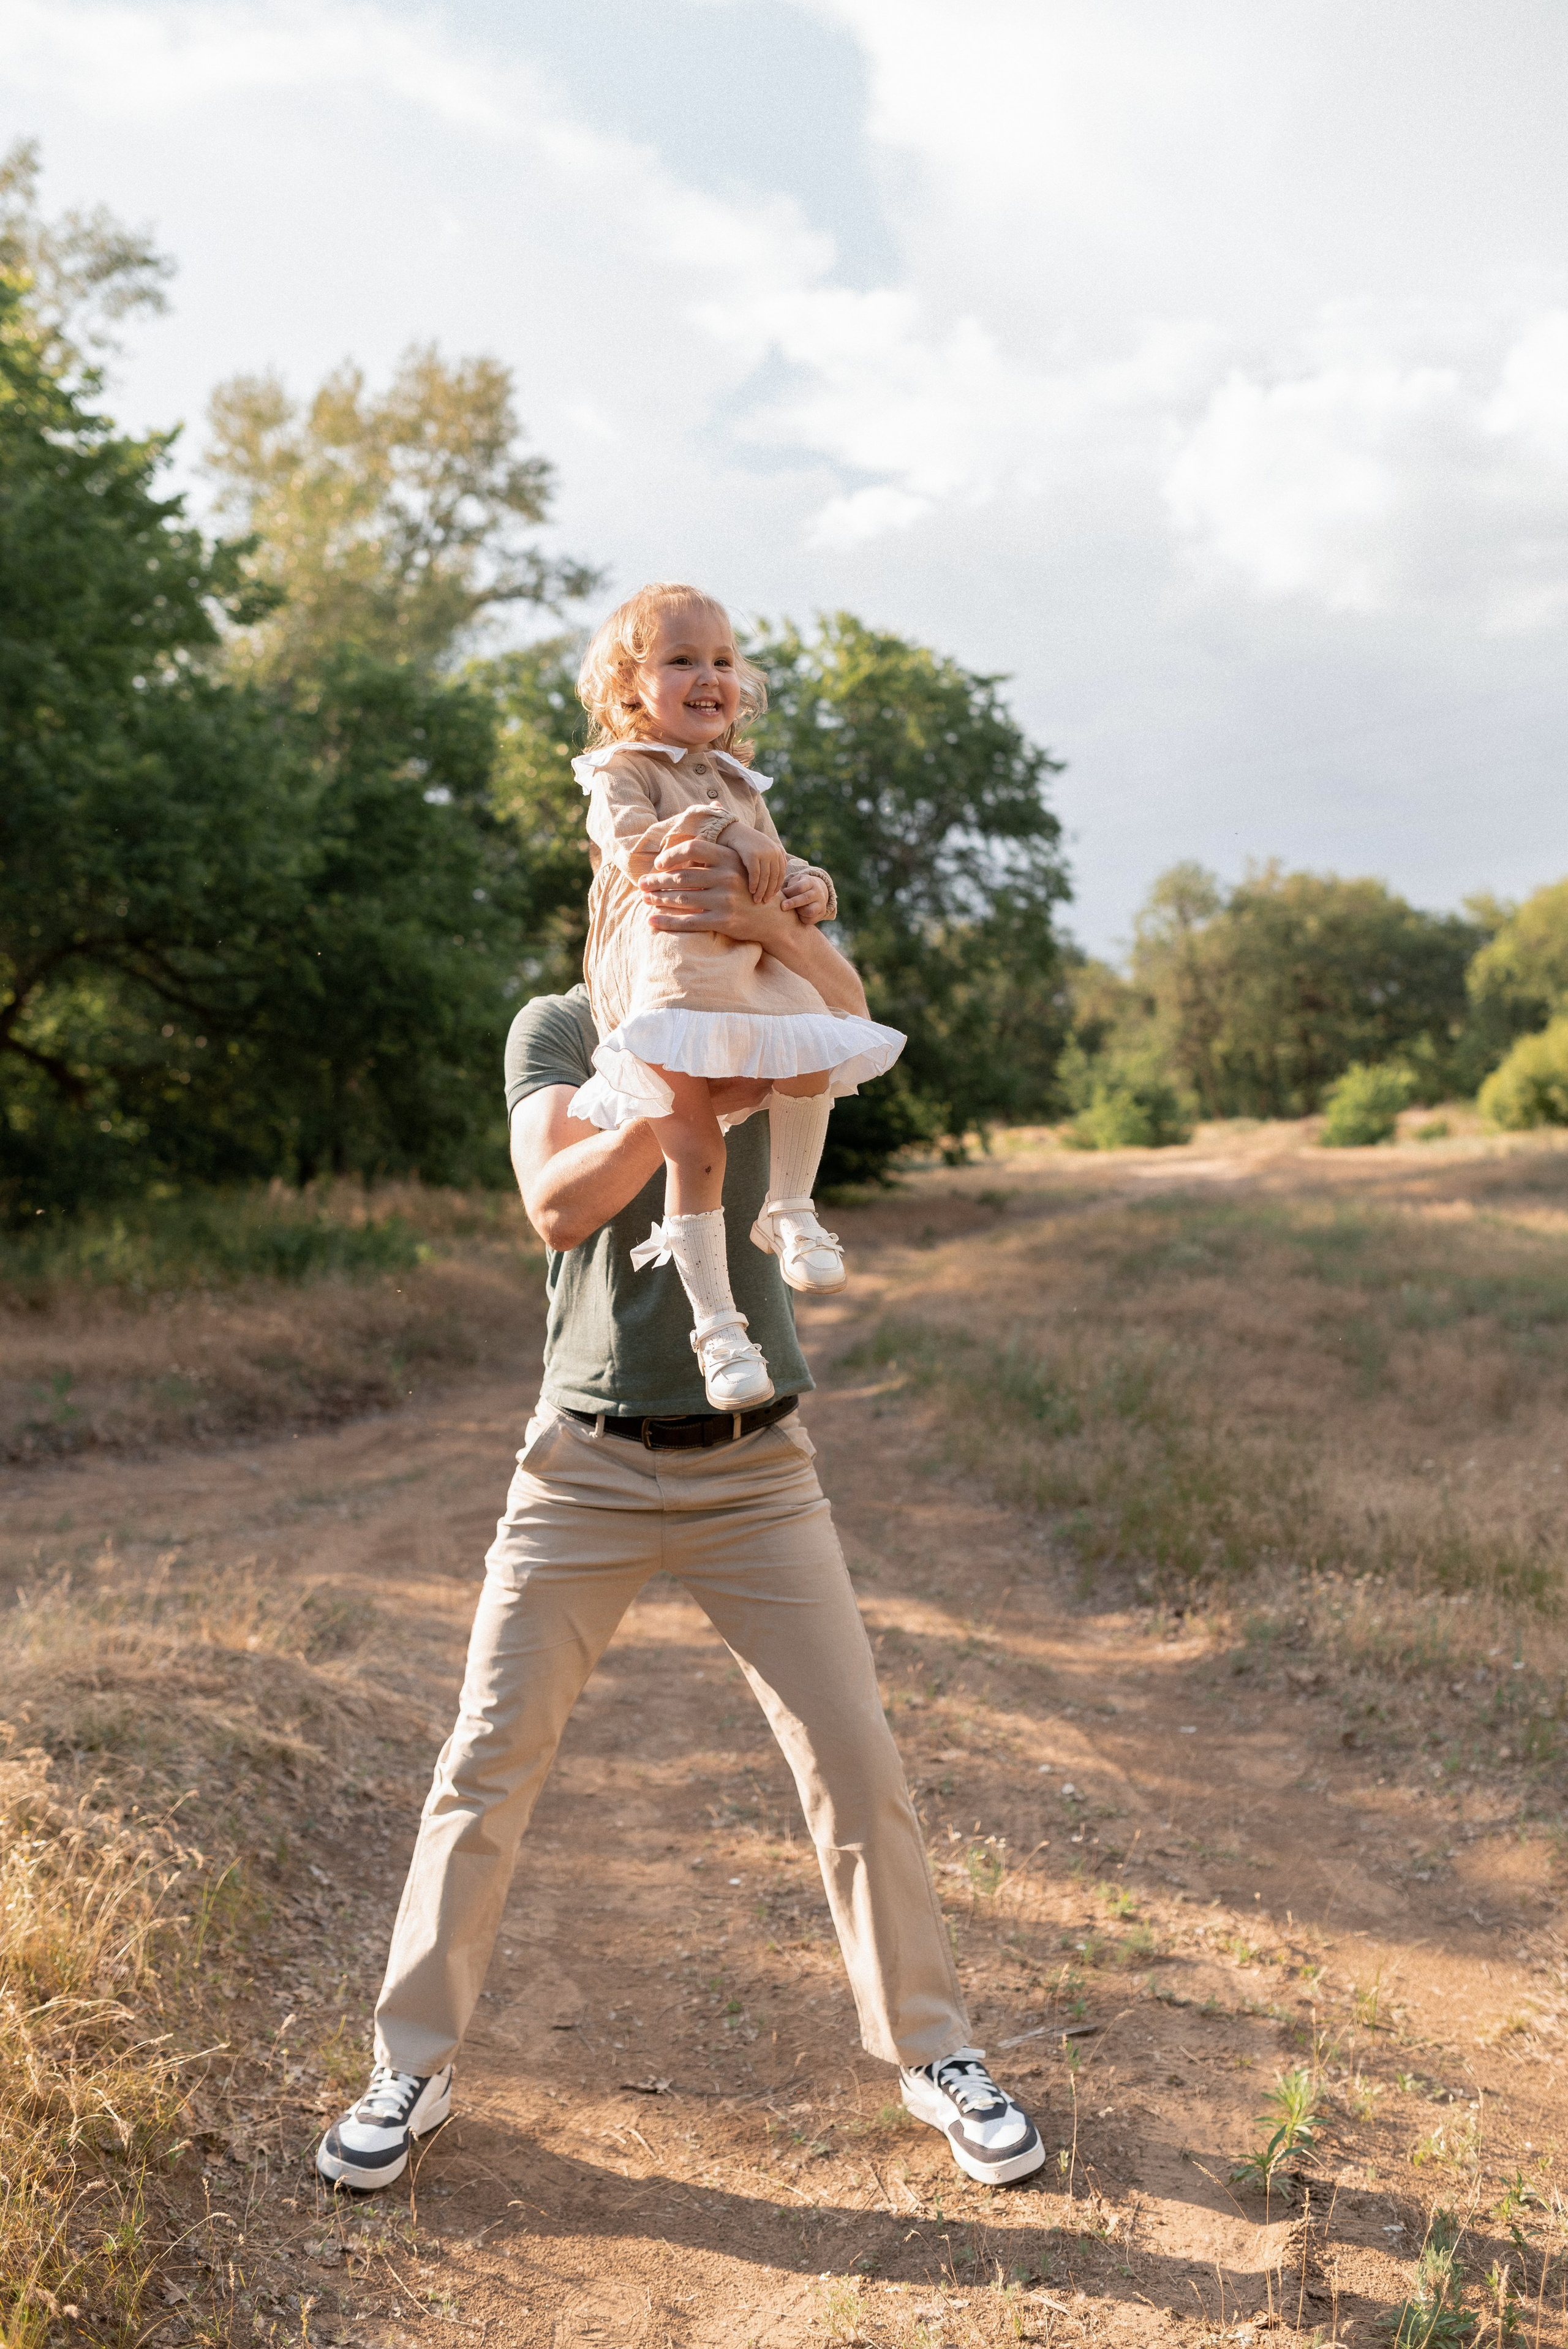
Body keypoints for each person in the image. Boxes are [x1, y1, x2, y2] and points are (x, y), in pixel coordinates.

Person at [315, 793, 1044, 2202]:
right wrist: (671, 1082)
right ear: (608, 887)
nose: (673, 888)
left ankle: (931, 2052)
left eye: (699, 870)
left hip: (758, 1466)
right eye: (651, 870)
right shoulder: (555, 1025)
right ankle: (412, 2059)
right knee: (485, 1762)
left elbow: (859, 1019)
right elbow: (555, 1206)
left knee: (855, 1761)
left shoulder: (770, 1001)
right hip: (581, 1458)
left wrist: (764, 936)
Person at [567, 581, 904, 1412]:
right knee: (693, 1148)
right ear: (628, 689)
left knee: (812, 1050)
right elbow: (640, 849)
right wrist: (728, 836)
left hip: (740, 969)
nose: (709, 675)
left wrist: (806, 885)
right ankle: (718, 1327)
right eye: (680, 659)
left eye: (721, 659)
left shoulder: (740, 782)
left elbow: (773, 867)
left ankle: (788, 1207)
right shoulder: (622, 772)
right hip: (669, 981)